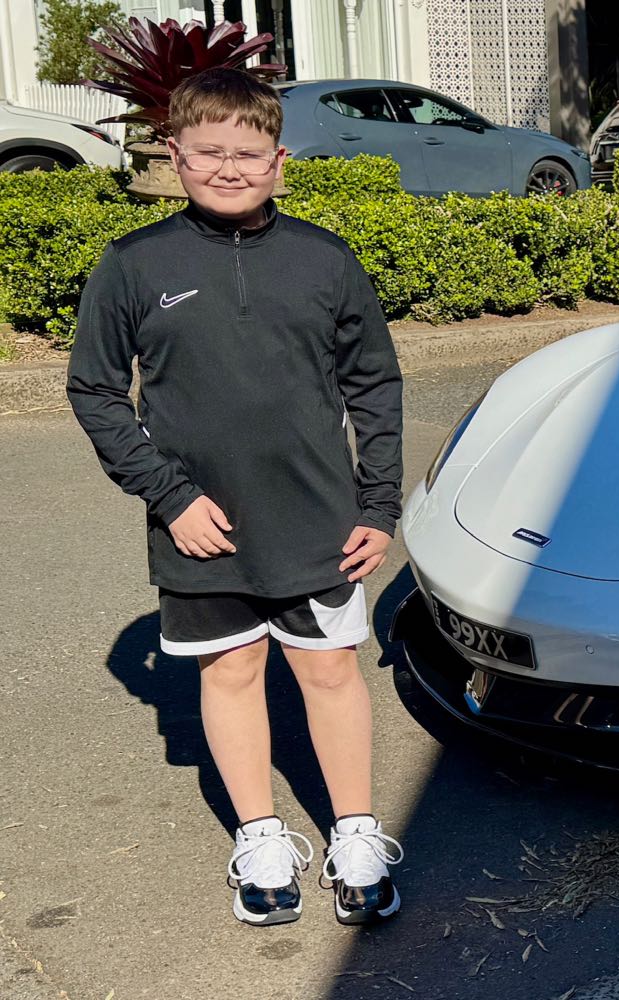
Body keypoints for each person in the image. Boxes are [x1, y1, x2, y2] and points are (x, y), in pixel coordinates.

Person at [66, 67, 406, 928]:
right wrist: (168, 495)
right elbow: (96, 392)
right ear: (173, 154)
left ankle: (356, 834)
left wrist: (378, 504)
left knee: (329, 671)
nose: (228, 167)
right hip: (200, 527)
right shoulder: (135, 265)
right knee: (232, 669)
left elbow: (374, 384)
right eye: (208, 151)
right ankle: (259, 833)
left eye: (247, 152)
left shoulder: (325, 259)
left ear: (279, 158)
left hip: (320, 519)